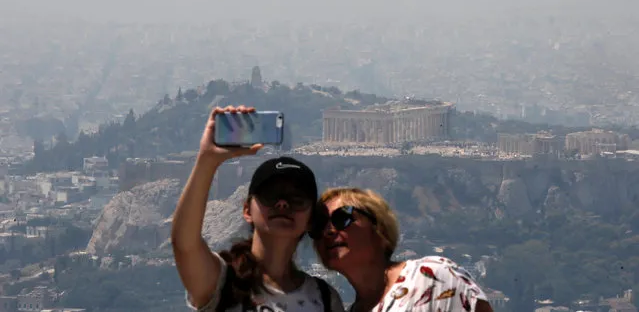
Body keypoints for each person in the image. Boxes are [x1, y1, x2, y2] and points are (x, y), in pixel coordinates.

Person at [171, 105, 344, 312]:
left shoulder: (324, 298)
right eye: (271, 196)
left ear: (310, 220)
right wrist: (207, 160)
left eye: (297, 199)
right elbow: (184, 244)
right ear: (247, 210)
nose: (283, 204)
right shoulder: (223, 281)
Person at [310, 187, 494, 312]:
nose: (328, 231)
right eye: (318, 225)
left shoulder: (432, 275)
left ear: (379, 229)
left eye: (342, 218)